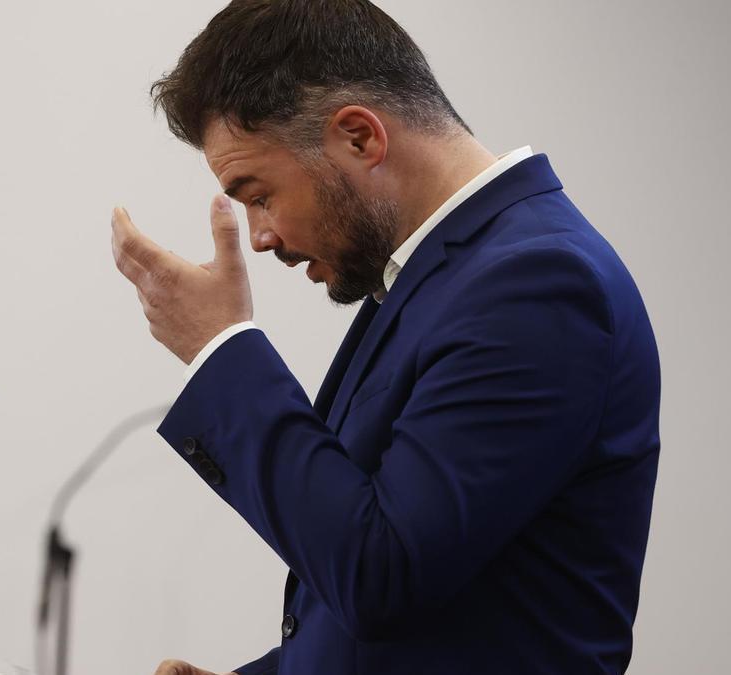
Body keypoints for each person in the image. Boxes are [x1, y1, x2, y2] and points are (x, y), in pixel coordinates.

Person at [109, 1, 661, 673]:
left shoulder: (537, 285)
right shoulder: (442, 277)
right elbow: (421, 608)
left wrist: (222, 350)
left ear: (360, 138)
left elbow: (382, 574)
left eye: (258, 193)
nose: (261, 236)